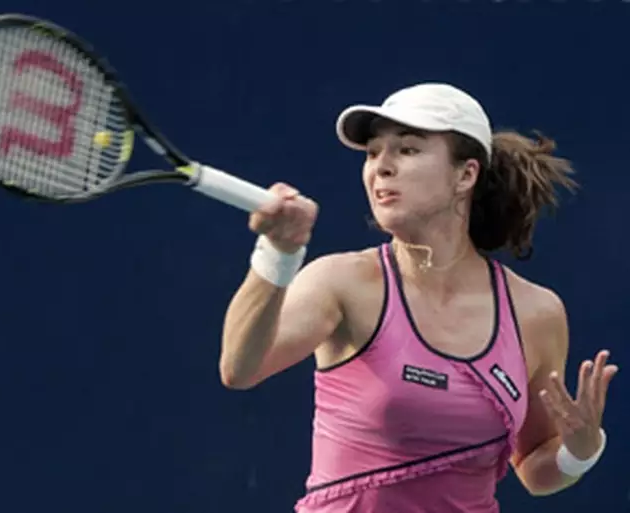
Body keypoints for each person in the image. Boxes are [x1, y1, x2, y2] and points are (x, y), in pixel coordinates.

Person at [218, 83, 618, 512]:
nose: (381, 167)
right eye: (373, 153)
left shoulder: (536, 313)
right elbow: (241, 368)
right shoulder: (339, 283)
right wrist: (278, 254)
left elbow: (536, 467)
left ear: (466, 175)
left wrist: (580, 451)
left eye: (407, 150)